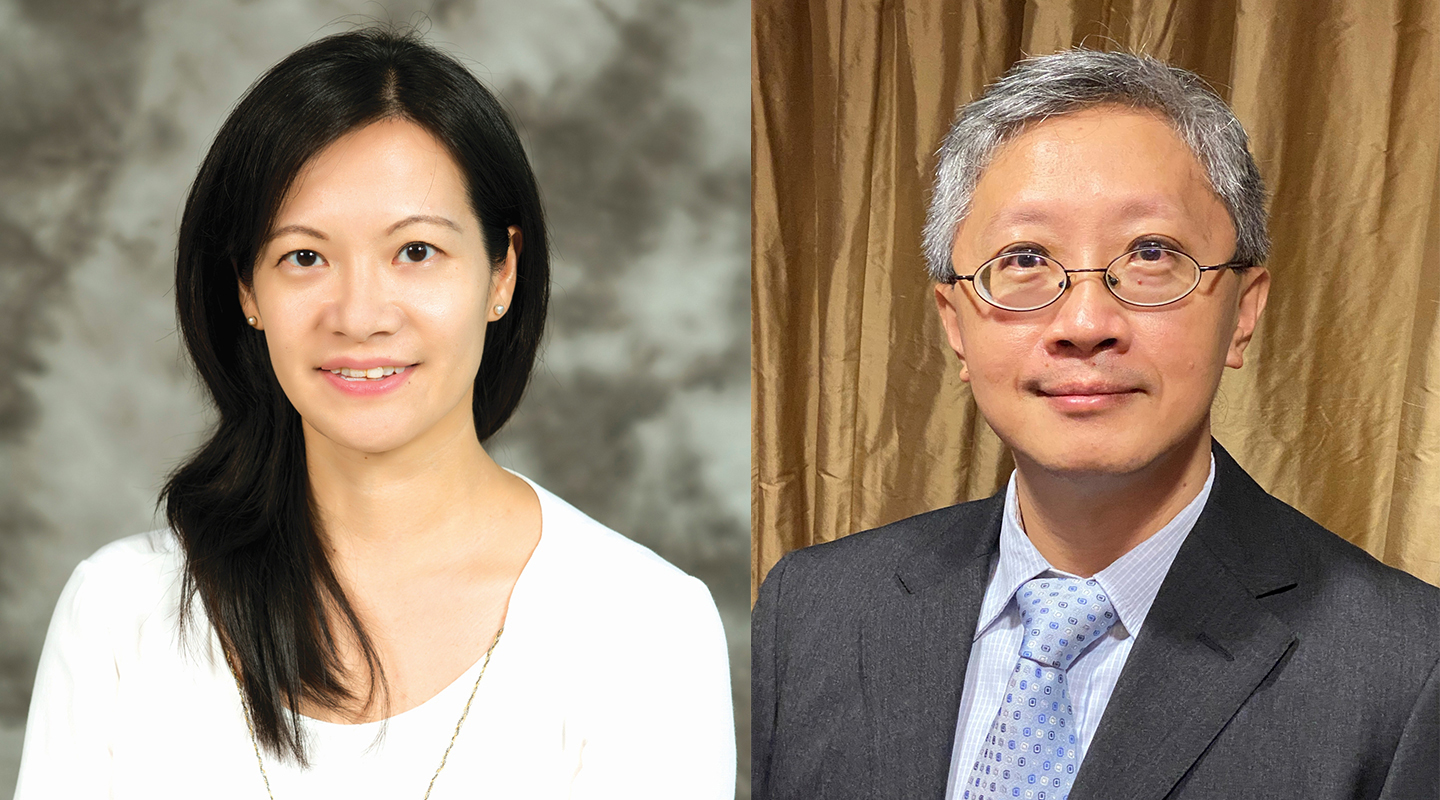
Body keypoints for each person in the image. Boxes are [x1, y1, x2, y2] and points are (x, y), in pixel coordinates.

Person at [16, 28, 734, 799]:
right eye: (305, 257)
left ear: (503, 272)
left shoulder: (643, 626)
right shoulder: (122, 613)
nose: (359, 315)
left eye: (416, 252)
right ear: (247, 291)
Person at [752, 49, 1438, 800]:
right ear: (954, 325)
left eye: (1151, 253)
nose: (1084, 323)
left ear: (1243, 313)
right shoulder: (812, 610)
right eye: (1024, 258)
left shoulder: (1404, 668)